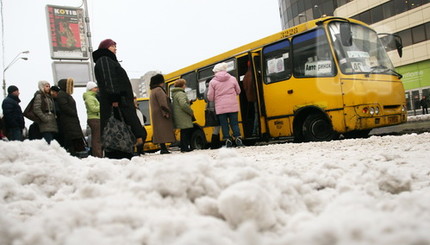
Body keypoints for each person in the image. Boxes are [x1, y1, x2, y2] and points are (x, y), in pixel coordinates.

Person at [92, 38, 145, 159]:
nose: (115, 48)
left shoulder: (107, 60)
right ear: (105, 48)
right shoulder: (104, 60)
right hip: (117, 103)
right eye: (112, 46)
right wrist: (114, 98)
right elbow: (109, 80)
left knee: (121, 129)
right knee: (118, 128)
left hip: (119, 102)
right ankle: (120, 155)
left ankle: (122, 153)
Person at [207, 62, 244, 147]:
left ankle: (228, 141)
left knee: (224, 124)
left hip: (221, 107)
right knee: (234, 123)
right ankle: (238, 139)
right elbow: (238, 91)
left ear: (216, 71)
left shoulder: (212, 82)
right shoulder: (233, 78)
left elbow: (210, 97)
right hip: (232, 105)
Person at [56, 78, 87, 157]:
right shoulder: (62, 94)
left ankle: (76, 154)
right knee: (72, 140)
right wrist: (73, 113)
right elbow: (64, 107)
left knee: (75, 139)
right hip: (68, 121)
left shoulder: (65, 94)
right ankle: (74, 155)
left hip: (72, 121)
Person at [149, 74, 176, 154]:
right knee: (163, 131)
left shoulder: (153, 91)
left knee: (159, 132)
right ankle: (164, 149)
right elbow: (163, 103)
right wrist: (167, 112)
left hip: (156, 114)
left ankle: (163, 147)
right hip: (161, 114)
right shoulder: (159, 90)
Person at [171, 79, 195, 152]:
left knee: (183, 131)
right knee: (186, 131)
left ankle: (184, 147)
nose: (185, 86)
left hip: (179, 115)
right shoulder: (181, 93)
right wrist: (191, 111)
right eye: (184, 84)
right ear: (182, 86)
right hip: (183, 115)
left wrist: (189, 102)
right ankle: (185, 148)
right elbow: (183, 105)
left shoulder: (175, 93)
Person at [83, 81, 102, 157]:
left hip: (95, 118)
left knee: (97, 138)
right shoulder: (89, 97)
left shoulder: (92, 97)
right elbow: (93, 109)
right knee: (96, 138)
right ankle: (97, 155)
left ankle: (98, 154)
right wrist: (102, 107)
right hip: (94, 119)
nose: (97, 89)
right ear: (91, 89)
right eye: (95, 88)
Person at [204, 78, 221, 149]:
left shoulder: (206, 89)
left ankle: (216, 143)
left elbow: (205, 99)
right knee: (217, 126)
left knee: (216, 126)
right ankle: (214, 144)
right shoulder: (211, 88)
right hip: (215, 108)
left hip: (210, 109)